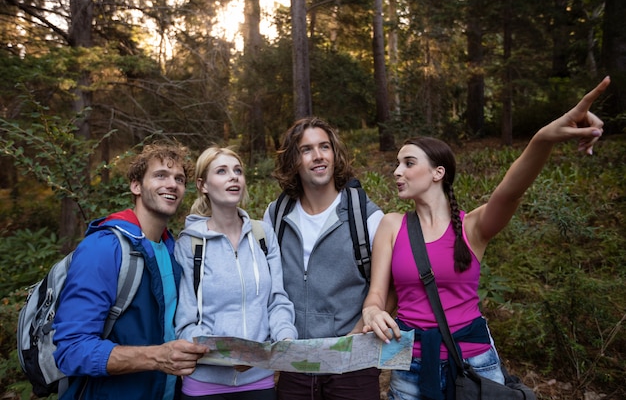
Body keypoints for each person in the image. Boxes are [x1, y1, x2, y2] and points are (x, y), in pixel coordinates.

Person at [361, 76, 611, 400]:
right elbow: (376, 296)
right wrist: (371, 312)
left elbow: (511, 190)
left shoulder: (472, 227)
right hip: (409, 365)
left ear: (438, 172)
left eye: (408, 163)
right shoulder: (391, 226)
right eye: (397, 164)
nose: (397, 171)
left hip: (474, 364)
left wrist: (542, 139)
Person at [53, 142, 208, 400]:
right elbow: (72, 349)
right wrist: (156, 357)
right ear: (136, 186)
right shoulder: (103, 248)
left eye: (179, 179)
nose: (172, 184)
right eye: (160, 175)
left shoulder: (175, 251)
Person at [263, 117, 387, 400]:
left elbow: (388, 288)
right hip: (296, 362)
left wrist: (353, 339)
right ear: (293, 160)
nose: (318, 156)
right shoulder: (276, 215)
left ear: (335, 153)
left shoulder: (364, 216)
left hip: (353, 364)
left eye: (325, 147)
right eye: (306, 150)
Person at [174, 146, 298, 400]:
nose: (234, 177)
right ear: (203, 185)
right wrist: (225, 355)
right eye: (222, 171)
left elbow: (277, 301)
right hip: (204, 385)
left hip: (258, 381)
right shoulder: (190, 244)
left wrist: (285, 337)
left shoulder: (263, 235)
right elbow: (186, 321)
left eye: (238, 171)